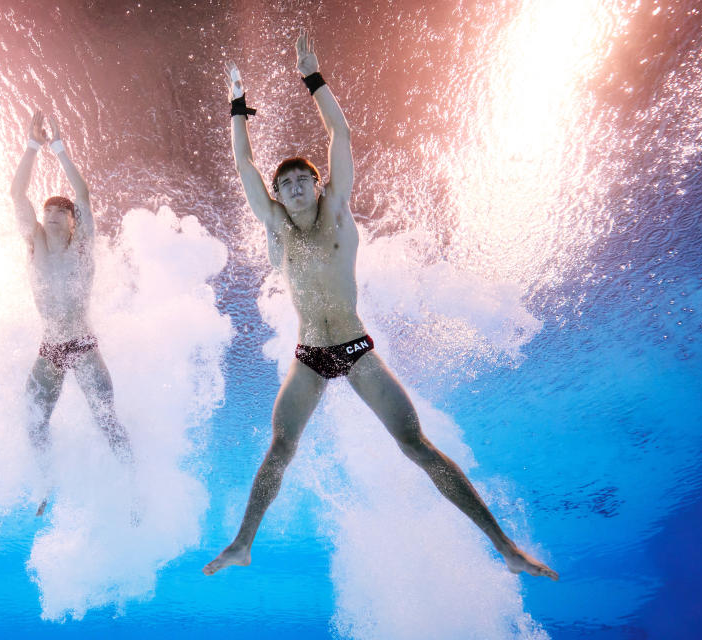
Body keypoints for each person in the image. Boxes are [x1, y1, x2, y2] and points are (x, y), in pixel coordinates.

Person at [203, 32, 557, 580]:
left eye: (304, 179)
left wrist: (313, 76)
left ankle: (505, 547)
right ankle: (243, 543)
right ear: (277, 194)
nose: (295, 186)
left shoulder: (337, 215)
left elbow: (339, 133)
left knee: (415, 445)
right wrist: (236, 106)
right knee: (279, 448)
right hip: (310, 355)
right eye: (286, 182)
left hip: (354, 347)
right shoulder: (277, 228)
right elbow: (243, 162)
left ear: (320, 188)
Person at [10, 110, 134, 517]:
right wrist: (32, 145)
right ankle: (45, 485)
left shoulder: (83, 247)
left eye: (61, 212)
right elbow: (17, 194)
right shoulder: (35, 244)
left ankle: (134, 485)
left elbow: (83, 196)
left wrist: (59, 148)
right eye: (48, 211)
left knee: (106, 419)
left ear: (73, 222)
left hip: (81, 345)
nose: (52, 213)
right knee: (33, 420)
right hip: (50, 348)